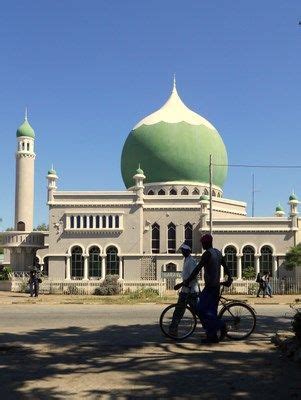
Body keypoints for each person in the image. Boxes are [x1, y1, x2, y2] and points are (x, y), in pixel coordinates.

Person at [174, 234, 233, 344]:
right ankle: (212, 337)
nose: (202, 245)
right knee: (211, 312)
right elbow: (225, 266)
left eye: (202, 243)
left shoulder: (207, 254)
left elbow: (197, 269)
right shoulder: (218, 253)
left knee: (201, 309)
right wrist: (230, 277)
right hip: (215, 287)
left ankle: (221, 325)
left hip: (210, 287)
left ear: (206, 243)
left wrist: (186, 281)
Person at [168, 244, 199, 337]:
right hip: (185, 291)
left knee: (198, 312)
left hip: (191, 291)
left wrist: (180, 284)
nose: (182, 252)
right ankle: (173, 330)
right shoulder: (186, 260)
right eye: (182, 250)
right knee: (178, 311)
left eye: (184, 250)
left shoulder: (191, 261)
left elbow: (193, 276)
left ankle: (212, 328)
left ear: (188, 251)